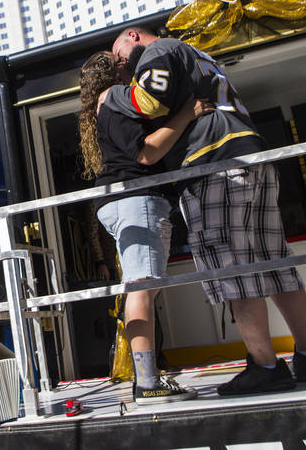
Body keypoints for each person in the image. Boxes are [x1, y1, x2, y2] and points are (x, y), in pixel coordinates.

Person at [103, 26, 306, 395]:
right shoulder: (201, 56)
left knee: (231, 267)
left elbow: (148, 102)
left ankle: (265, 366)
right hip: (252, 156)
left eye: (117, 51)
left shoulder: (159, 50)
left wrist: (113, 96)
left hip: (213, 163)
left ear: (133, 36)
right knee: (275, 263)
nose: (118, 61)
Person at [79, 51, 211, 403]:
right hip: (136, 199)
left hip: (125, 202)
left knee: (142, 288)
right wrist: (187, 114)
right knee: (141, 288)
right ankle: (147, 382)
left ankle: (148, 378)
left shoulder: (104, 106)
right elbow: (146, 154)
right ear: (117, 70)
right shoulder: (115, 100)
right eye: (124, 62)